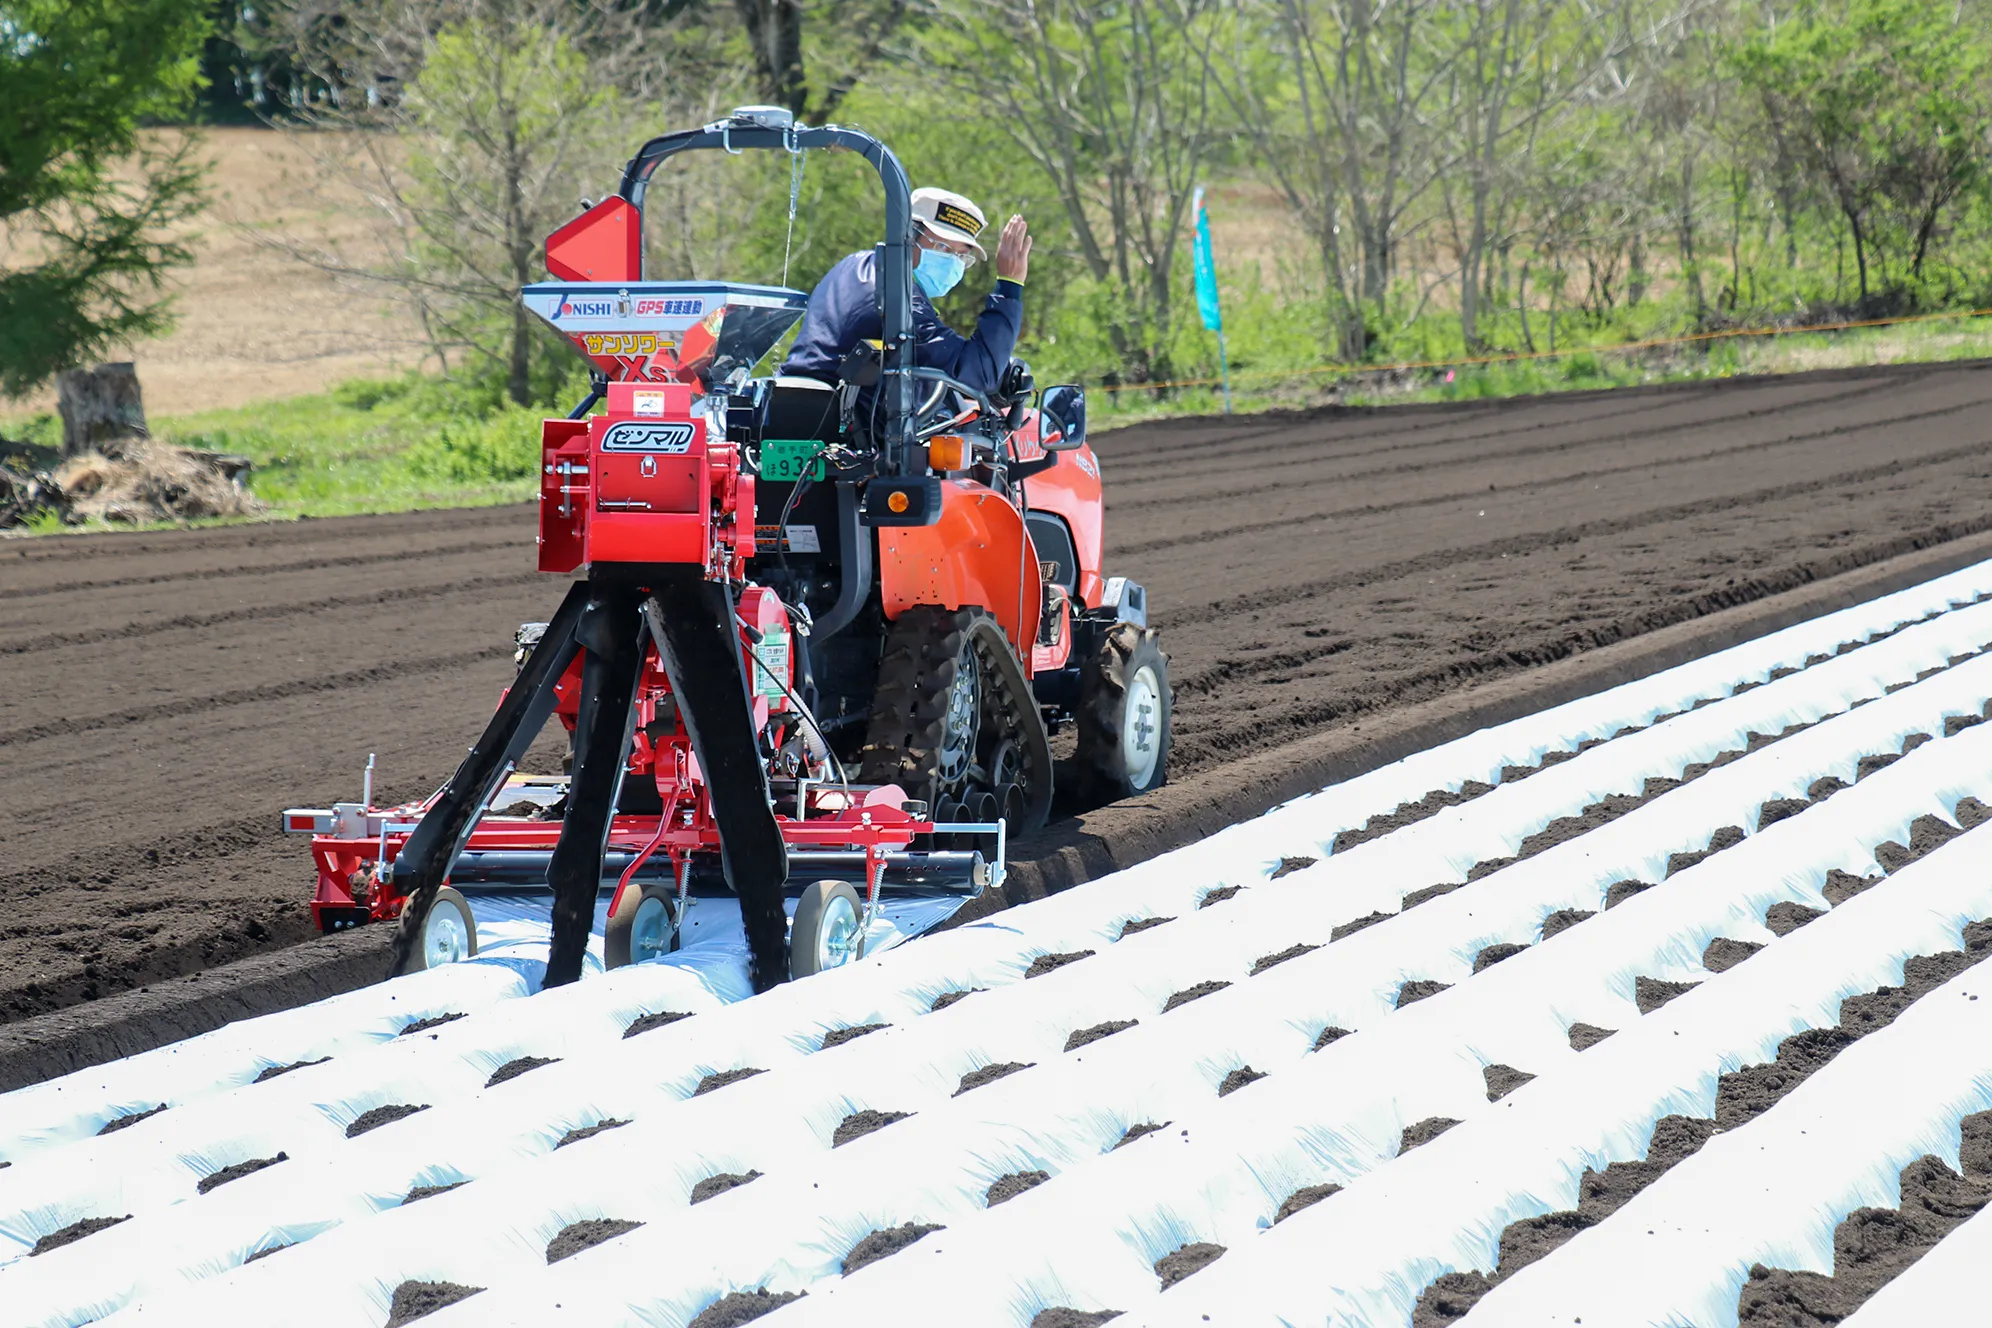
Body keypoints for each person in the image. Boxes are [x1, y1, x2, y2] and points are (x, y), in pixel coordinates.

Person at [781, 187, 1032, 401]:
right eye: (944, 247)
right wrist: (1009, 285)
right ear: (908, 235)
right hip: (845, 440)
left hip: (801, 408)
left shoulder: (855, 265)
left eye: (960, 256)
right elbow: (979, 373)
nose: (952, 263)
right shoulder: (898, 298)